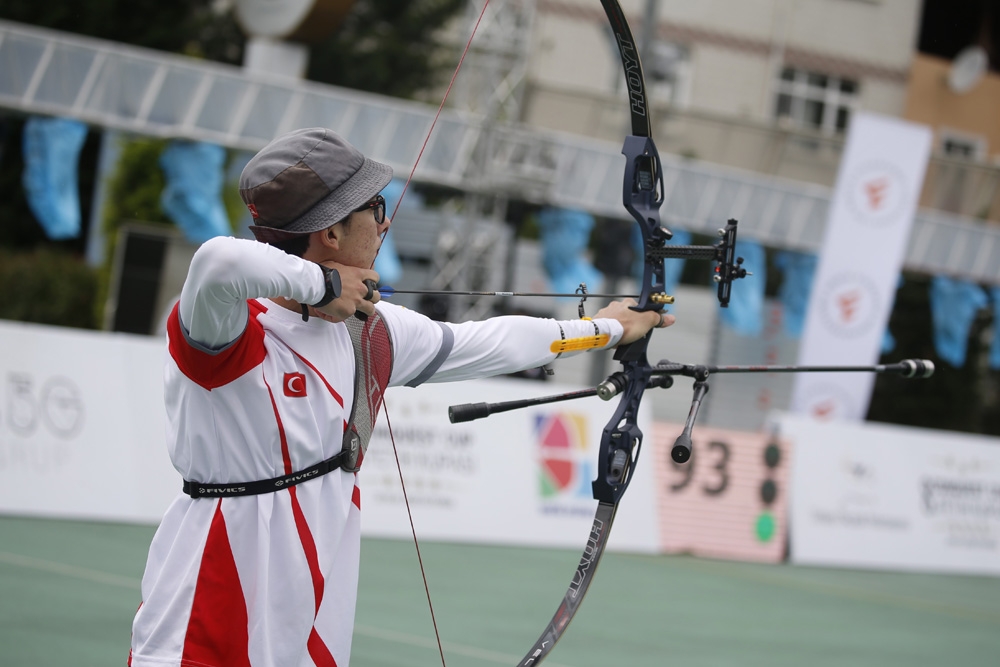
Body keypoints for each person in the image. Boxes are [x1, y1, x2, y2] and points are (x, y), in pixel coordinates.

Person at [128, 127, 673, 667]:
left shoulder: (373, 331)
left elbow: (489, 342)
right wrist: (323, 287)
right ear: (332, 234)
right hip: (202, 625)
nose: (386, 221)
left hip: (302, 628)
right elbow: (219, 262)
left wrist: (602, 329)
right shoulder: (229, 326)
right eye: (374, 206)